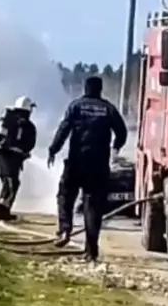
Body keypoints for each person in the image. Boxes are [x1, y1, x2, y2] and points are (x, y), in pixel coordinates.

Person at [47, 75, 127, 262]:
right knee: (93, 207)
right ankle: (91, 251)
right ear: (100, 89)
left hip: (76, 161)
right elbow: (121, 131)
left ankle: (64, 230)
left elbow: (64, 128)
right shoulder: (108, 109)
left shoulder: (76, 106)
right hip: (98, 165)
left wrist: (53, 149)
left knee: (65, 196)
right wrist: (116, 147)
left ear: (85, 88)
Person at [0, 95, 37, 222]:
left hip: (15, 157)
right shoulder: (8, 120)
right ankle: (1, 212)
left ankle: (4, 211)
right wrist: (9, 147)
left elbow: (29, 143)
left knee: (12, 183)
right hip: (4, 154)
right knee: (11, 182)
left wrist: (23, 151)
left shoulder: (27, 125)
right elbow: (0, 138)